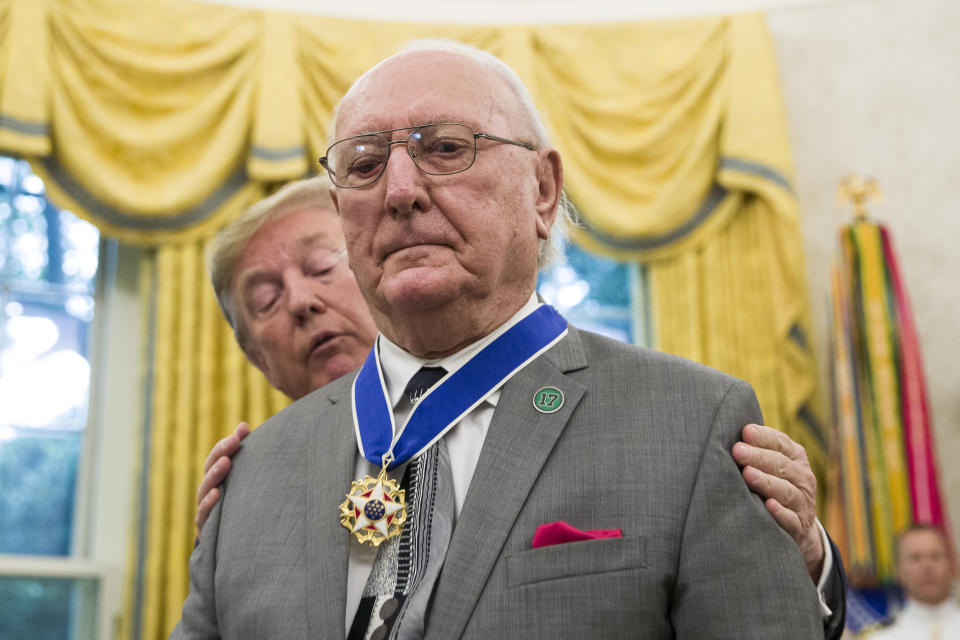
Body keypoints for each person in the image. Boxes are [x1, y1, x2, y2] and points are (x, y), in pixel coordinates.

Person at [173, 40, 831, 639]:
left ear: (542, 190)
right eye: (366, 164)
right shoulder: (250, 478)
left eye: (447, 149)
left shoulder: (692, 426)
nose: (400, 190)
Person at [864, 525, 959, 638]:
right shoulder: (881, 636)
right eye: (915, 558)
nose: (927, 566)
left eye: (935, 556)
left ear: (951, 565)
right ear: (898, 571)